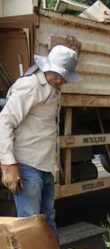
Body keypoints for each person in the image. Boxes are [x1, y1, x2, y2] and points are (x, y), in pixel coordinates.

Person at [0, 45, 82, 238]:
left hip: (45, 166)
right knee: (30, 223)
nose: (61, 80)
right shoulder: (30, 86)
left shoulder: (53, 87)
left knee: (47, 218)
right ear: (47, 67)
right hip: (27, 165)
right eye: (58, 74)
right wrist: (8, 164)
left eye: (65, 76)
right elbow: (4, 122)